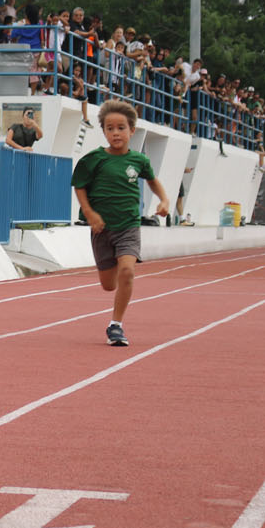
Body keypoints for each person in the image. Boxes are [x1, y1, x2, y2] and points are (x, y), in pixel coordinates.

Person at [72, 100, 169, 347]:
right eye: (110, 128)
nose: (116, 133)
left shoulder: (139, 161)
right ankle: (114, 278)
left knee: (128, 271)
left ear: (132, 131)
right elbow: (79, 186)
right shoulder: (93, 159)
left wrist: (164, 199)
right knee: (108, 285)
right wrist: (90, 213)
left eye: (121, 128)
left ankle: (116, 325)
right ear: (104, 131)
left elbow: (153, 181)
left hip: (128, 226)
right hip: (101, 229)